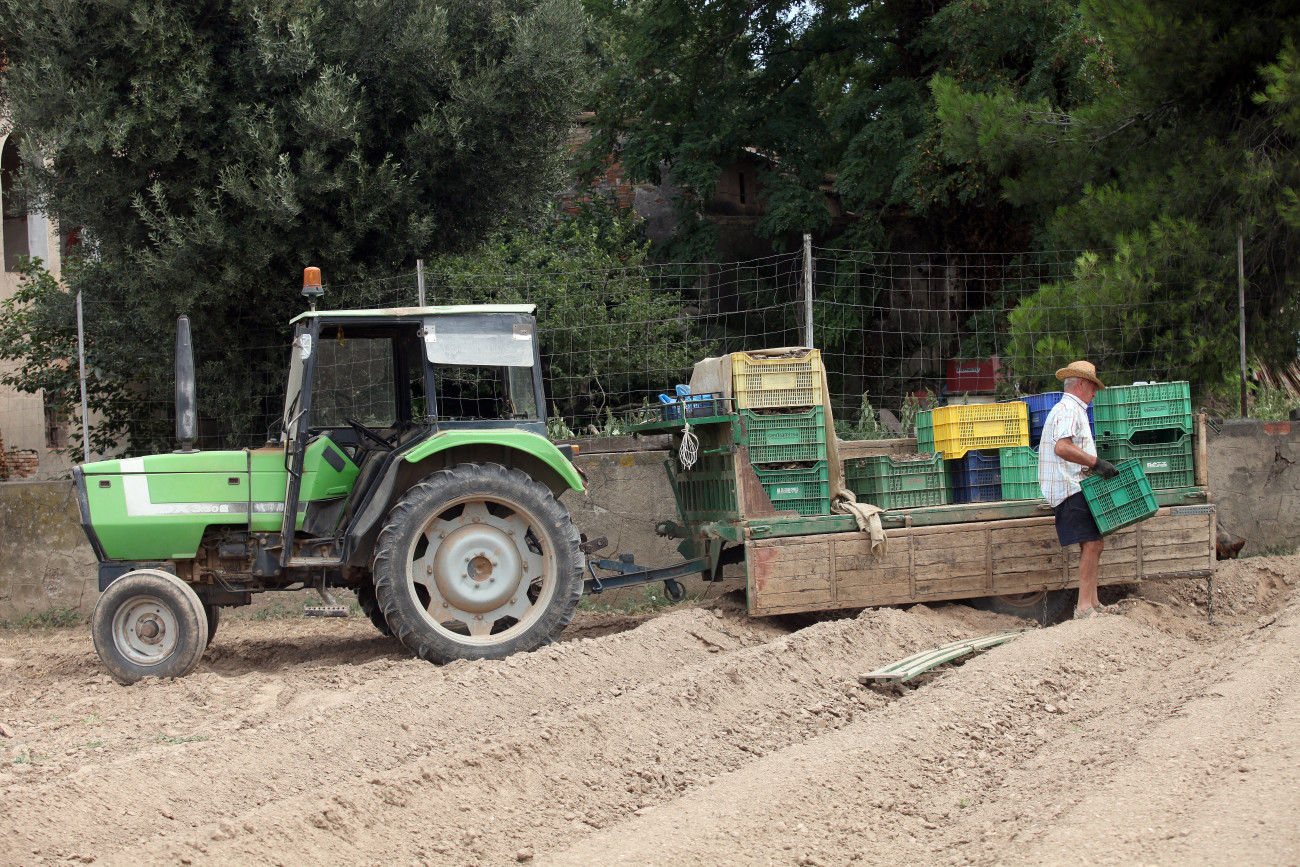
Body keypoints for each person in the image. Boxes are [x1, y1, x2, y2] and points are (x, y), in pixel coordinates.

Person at [1037, 360, 1119, 619]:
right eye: (1093, 387)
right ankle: (1084, 607)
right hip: (1069, 487)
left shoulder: (1071, 409)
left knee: (1094, 543)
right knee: (1092, 543)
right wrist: (1096, 463)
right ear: (1081, 383)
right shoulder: (1069, 409)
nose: (1094, 393)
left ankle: (1093, 602)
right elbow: (1062, 447)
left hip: (1074, 485)